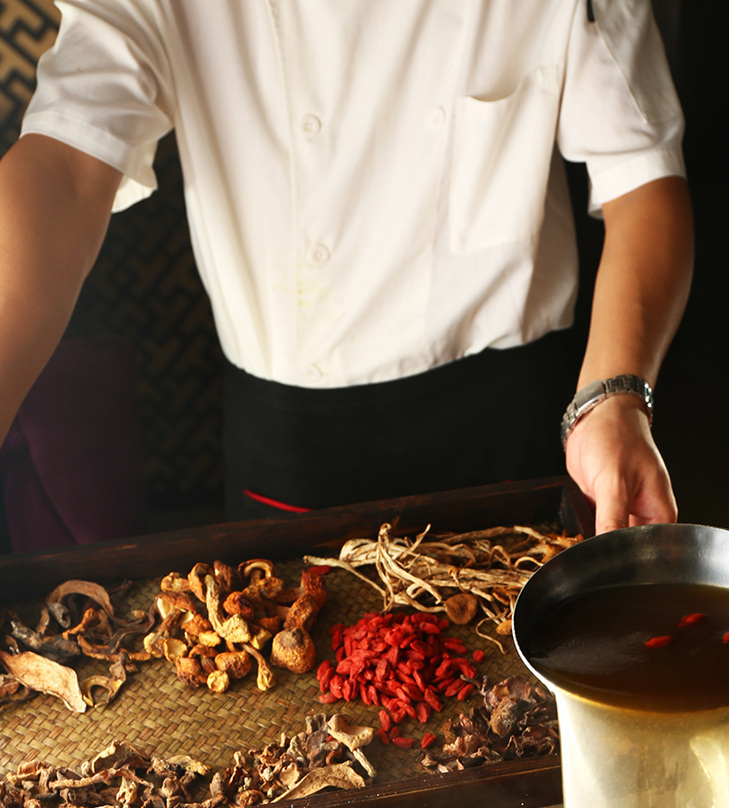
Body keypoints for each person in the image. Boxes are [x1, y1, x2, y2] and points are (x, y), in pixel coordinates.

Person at [0, 1, 693, 534]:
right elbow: (63, 163)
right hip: (293, 443)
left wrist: (615, 401)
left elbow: (644, 184)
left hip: (512, 424)